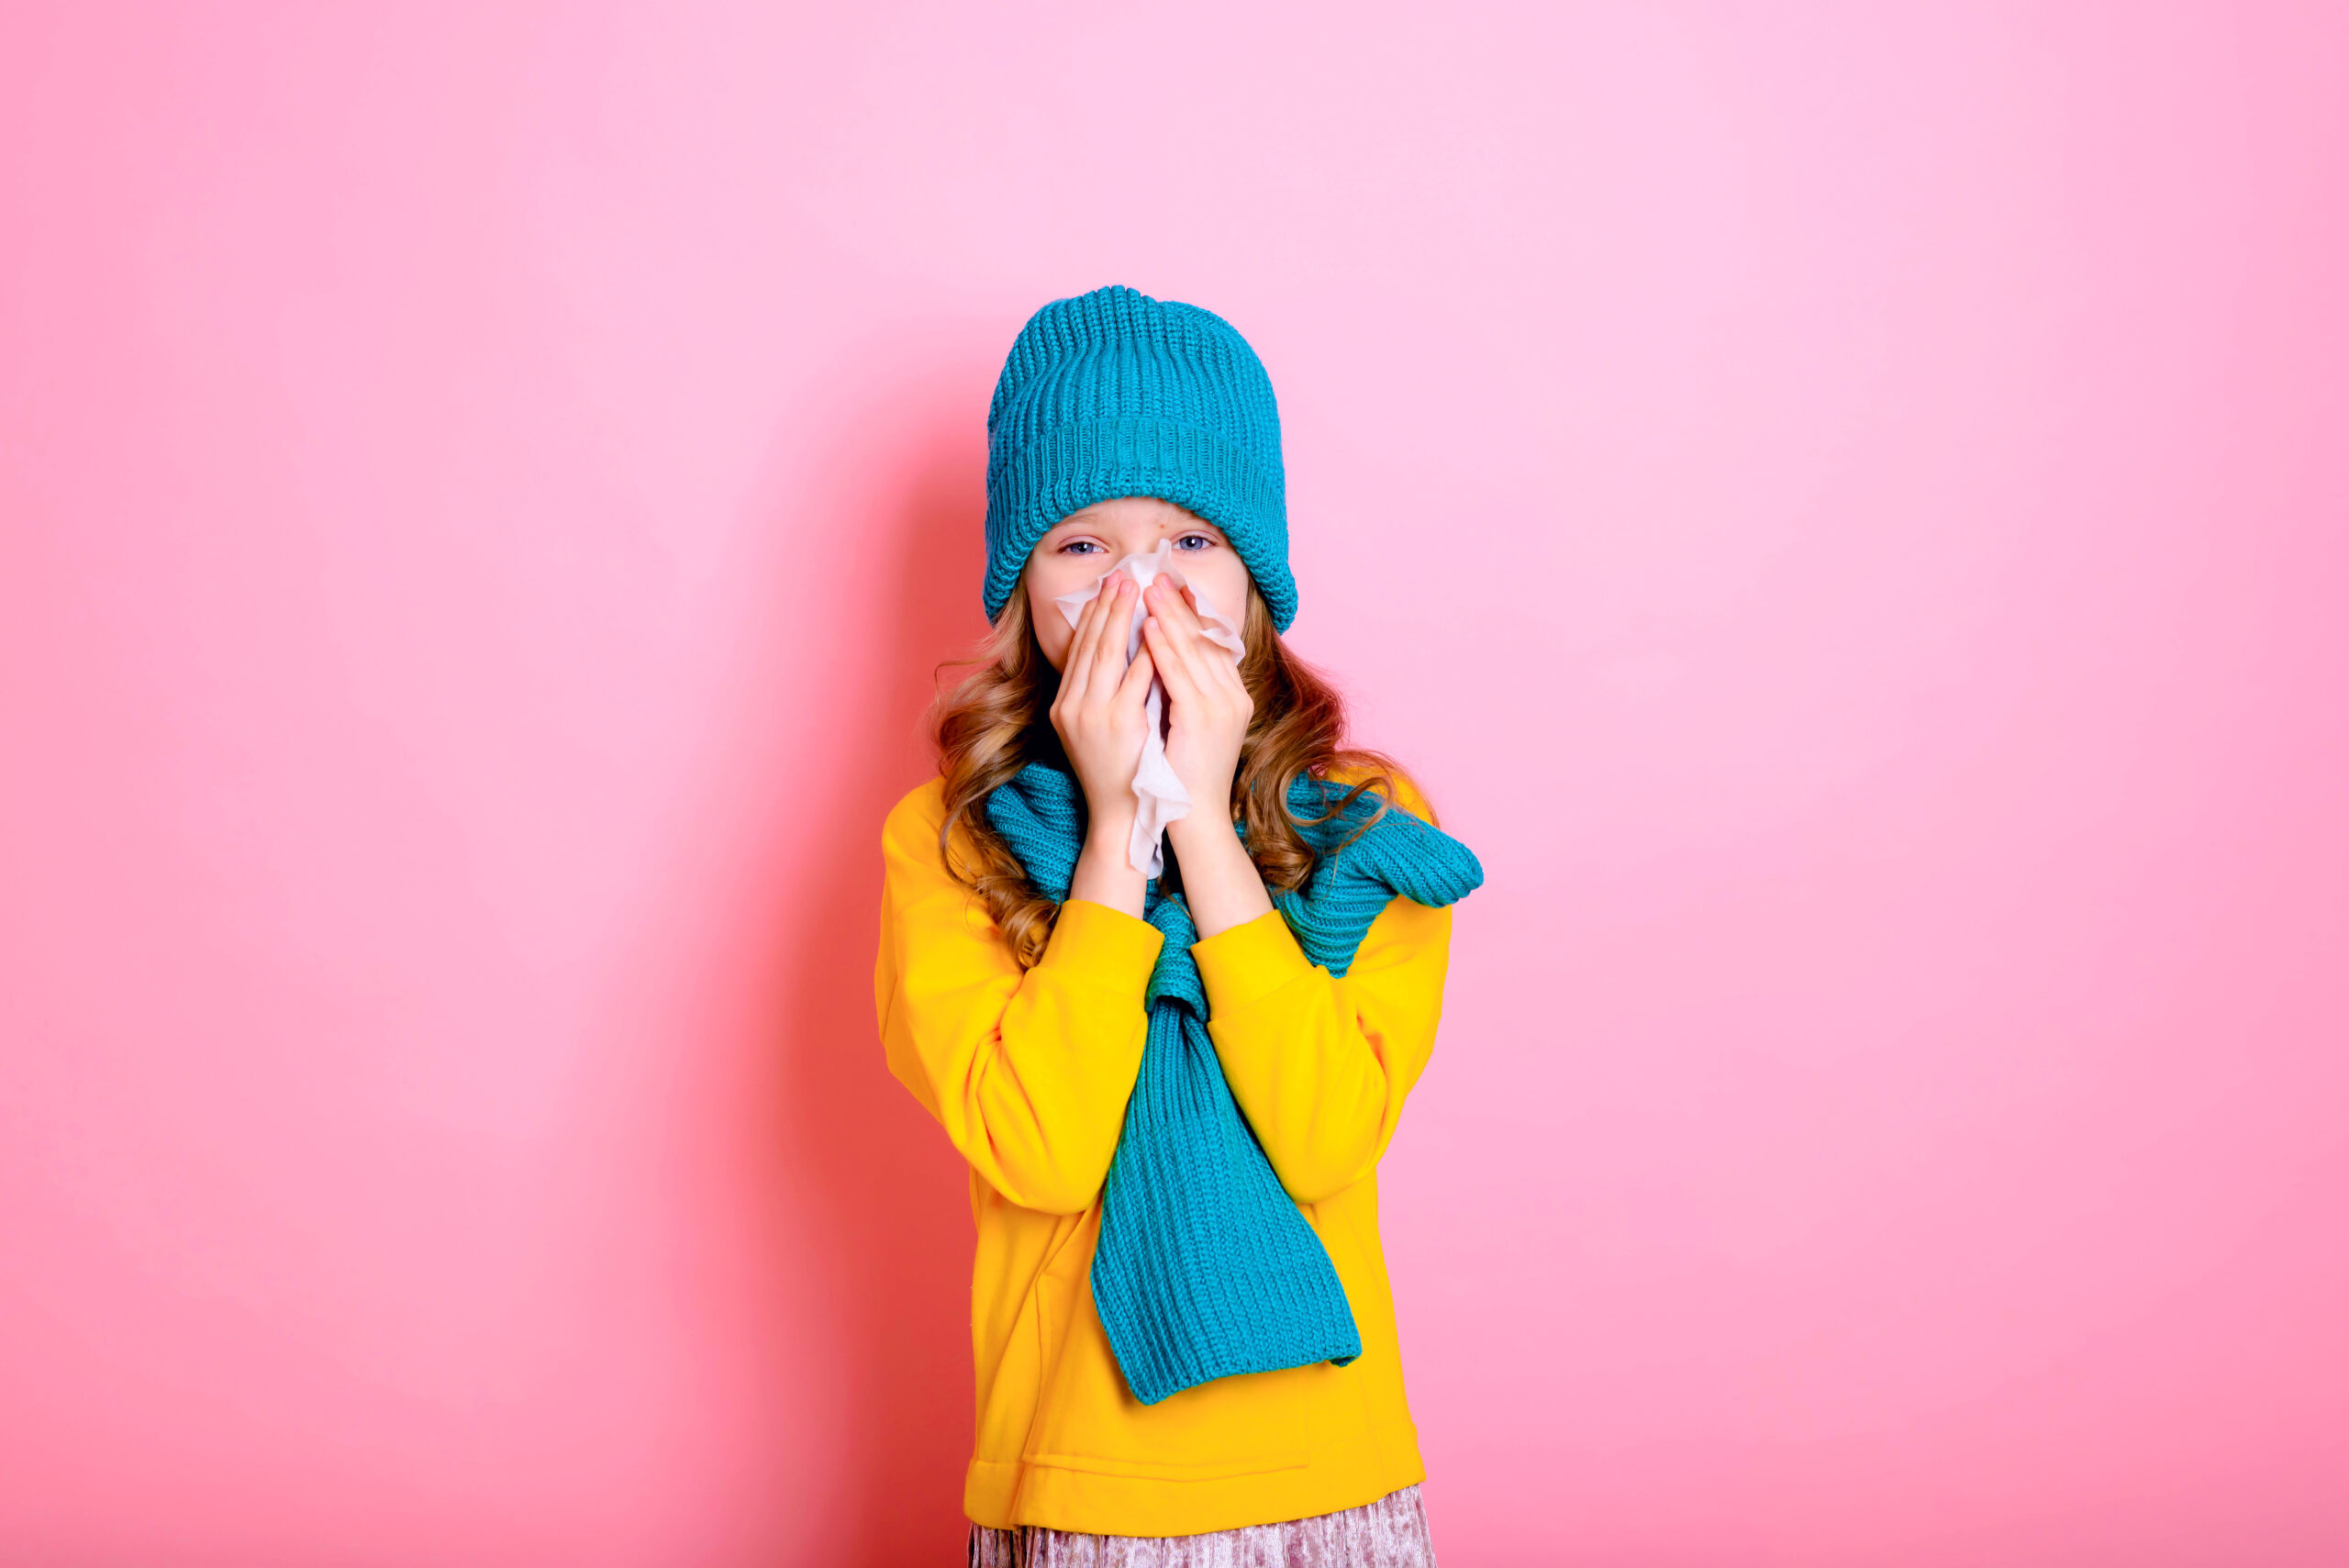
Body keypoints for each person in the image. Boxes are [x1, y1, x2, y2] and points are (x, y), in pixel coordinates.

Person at [873, 284, 1482, 1566]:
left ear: (1257, 578)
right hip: (1077, 1480)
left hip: (1329, 1471)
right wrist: (1111, 829)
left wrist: (1201, 820)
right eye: (1082, 546)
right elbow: (1038, 1146)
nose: (1140, 588)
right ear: (1020, 586)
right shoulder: (946, 840)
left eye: (1190, 540)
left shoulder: (1370, 829)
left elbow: (1326, 1134)